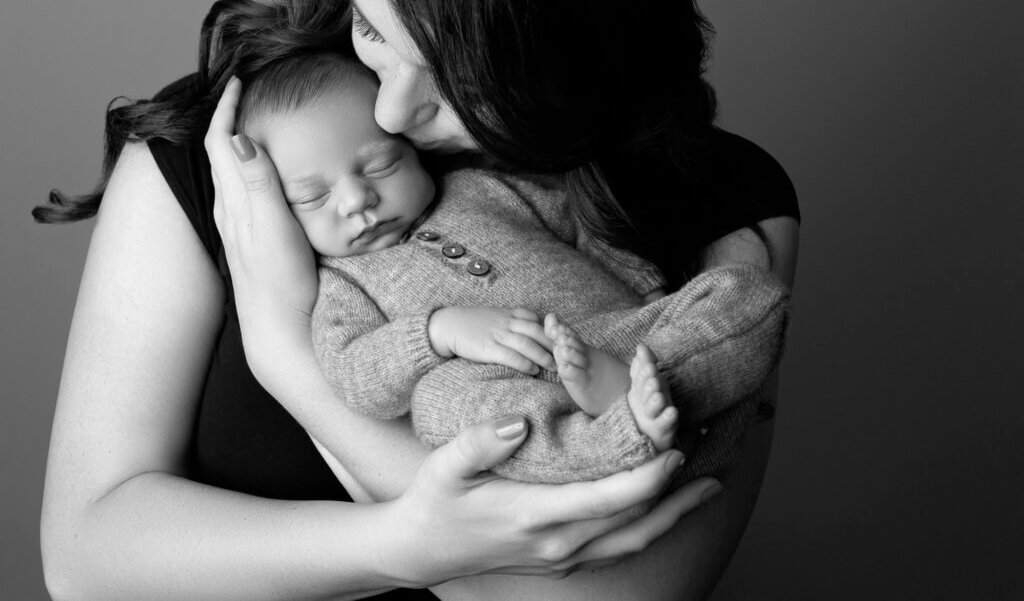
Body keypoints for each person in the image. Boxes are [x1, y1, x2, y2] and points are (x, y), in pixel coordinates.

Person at [36, 0, 799, 598]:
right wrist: (391, 545)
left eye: (458, 77)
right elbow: (86, 558)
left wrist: (288, 357)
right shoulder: (230, 154)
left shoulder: (726, 206)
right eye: (372, 28)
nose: (392, 110)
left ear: (579, 59)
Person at [233, 45, 790, 484]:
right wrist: (436, 334)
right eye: (312, 198)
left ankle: (657, 400)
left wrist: (648, 294)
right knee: (439, 408)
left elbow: (583, 228)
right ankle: (617, 439)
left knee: (747, 292)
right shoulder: (342, 283)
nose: (356, 200)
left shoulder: (482, 189)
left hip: (627, 340)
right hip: (513, 386)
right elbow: (356, 376)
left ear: (413, 150)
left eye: (379, 165)